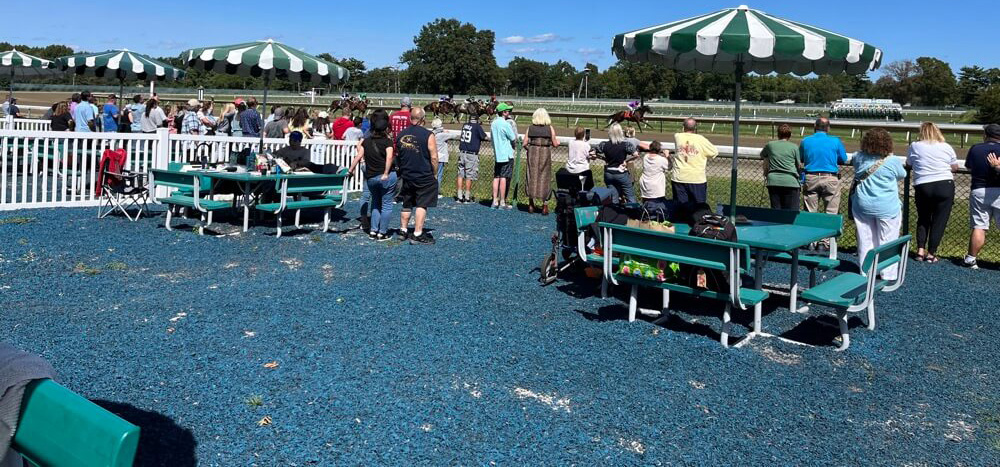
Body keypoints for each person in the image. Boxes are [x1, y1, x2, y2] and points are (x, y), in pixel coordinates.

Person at [850, 128, 906, 280]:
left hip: (863, 204)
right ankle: (887, 272)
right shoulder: (892, 161)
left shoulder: (858, 157)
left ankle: (866, 270)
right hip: (887, 205)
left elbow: (855, 164)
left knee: (865, 236)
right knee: (888, 238)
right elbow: (902, 175)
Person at [906, 122, 959, 263]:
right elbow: (955, 167)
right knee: (939, 221)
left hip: (923, 185)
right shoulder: (946, 146)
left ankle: (920, 250)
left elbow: (909, 164)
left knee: (923, 218)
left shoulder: (914, 146)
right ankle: (932, 253)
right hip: (944, 185)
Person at [347, 111, 396, 240]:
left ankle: (373, 230)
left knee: (375, 204)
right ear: (386, 128)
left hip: (371, 177)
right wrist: (386, 173)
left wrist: (350, 170)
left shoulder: (366, 141)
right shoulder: (388, 142)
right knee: (386, 205)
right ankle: (382, 232)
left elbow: (358, 156)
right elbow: (389, 157)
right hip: (384, 176)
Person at [395, 107, 439, 244]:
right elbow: (434, 157)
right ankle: (418, 232)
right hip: (423, 174)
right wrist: (435, 173)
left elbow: (399, 155)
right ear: (423, 119)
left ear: (410, 118)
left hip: (407, 174)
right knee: (422, 203)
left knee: (406, 203)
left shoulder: (401, 134)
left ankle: (403, 230)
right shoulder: (428, 135)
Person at [962, 124, 1000, 269]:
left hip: (979, 190)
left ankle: (971, 258)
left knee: (979, 226)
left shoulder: (976, 148)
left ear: (986, 135)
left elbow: (969, 167)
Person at [800, 117, 848, 215]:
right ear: (828, 128)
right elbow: (843, 159)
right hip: (830, 178)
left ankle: (810, 229)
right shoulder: (836, 141)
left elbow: (801, 158)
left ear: (815, 127)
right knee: (831, 214)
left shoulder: (806, 140)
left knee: (810, 213)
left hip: (811, 178)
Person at [672, 118, 718, 211]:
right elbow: (714, 152)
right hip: (696, 179)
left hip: (679, 177)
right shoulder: (700, 139)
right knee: (699, 208)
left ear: (683, 127)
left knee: (681, 208)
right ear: (695, 128)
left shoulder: (677, 136)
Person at [522, 108, 560, 214]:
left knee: (531, 176)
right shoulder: (549, 128)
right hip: (545, 152)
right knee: (545, 177)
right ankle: (545, 205)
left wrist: (529, 149)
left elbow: (524, 143)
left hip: (533, 152)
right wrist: (558, 142)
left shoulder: (530, 128)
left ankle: (531, 204)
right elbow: (555, 143)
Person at [761, 124, 802, 210]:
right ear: (790, 135)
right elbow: (799, 165)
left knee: (776, 210)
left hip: (773, 181)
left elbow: (763, 155)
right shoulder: (794, 147)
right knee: (791, 212)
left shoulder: (770, 145)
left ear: (778, 134)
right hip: (790, 182)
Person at [594, 123, 639, 204]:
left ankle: (615, 213)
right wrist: (626, 161)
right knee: (630, 195)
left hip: (608, 173)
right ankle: (633, 213)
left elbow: (592, 153)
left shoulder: (604, 144)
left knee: (614, 197)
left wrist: (603, 158)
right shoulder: (626, 144)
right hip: (621, 173)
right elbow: (636, 155)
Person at [490, 103, 518, 209]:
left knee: (496, 177)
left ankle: (494, 201)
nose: (509, 113)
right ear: (503, 112)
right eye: (507, 111)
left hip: (497, 153)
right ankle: (502, 202)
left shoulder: (493, 123)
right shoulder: (506, 124)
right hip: (506, 154)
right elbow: (512, 137)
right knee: (503, 178)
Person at [457, 115, 489, 203]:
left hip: (462, 152)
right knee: (469, 175)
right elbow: (484, 137)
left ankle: (459, 196)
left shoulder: (465, 125)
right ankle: (467, 197)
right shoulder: (477, 127)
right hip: (471, 154)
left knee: (460, 174)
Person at [639, 141, 672, 217]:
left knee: (646, 203)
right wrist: (667, 156)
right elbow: (669, 167)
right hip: (656, 186)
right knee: (657, 205)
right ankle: (655, 218)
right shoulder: (661, 159)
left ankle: (645, 216)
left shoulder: (646, 157)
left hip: (645, 182)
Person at [565, 127, 594, 192]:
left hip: (570, 169)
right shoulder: (586, 145)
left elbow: (577, 143)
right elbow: (590, 155)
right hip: (582, 170)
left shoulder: (570, 142)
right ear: (584, 135)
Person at [431, 118, 456, 190]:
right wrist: (446, 132)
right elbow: (454, 135)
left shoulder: (432, 133)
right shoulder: (442, 135)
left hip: (432, 156)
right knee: (439, 175)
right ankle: (436, 191)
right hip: (440, 157)